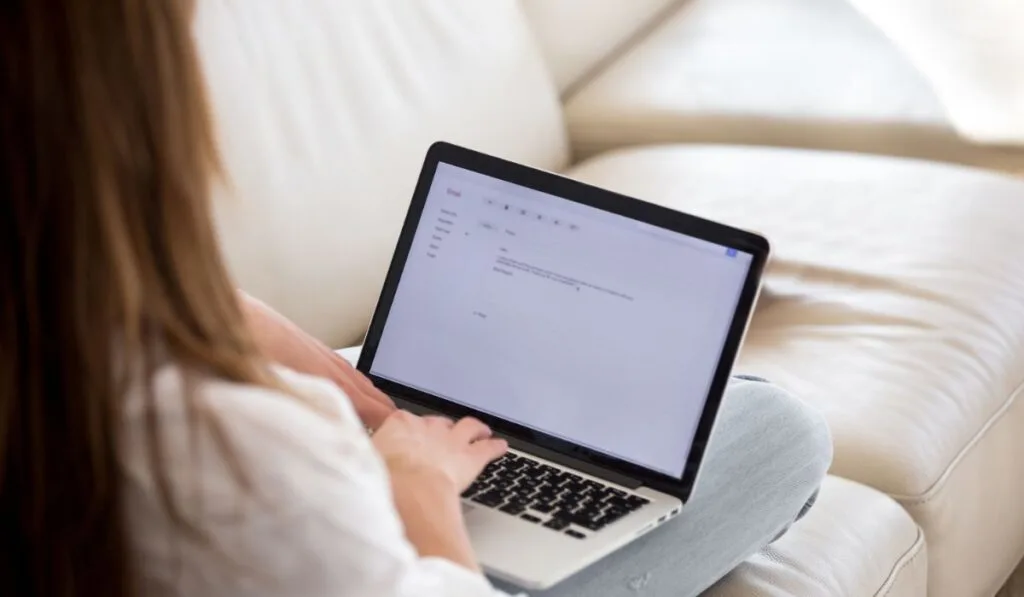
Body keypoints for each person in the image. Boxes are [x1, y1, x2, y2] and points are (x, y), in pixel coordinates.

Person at [0, 2, 832, 596]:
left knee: (442, 405)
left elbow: (86, 268)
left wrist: (238, 323)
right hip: (380, 535)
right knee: (774, 426)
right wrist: (422, 489)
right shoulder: (232, 451)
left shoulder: (61, 320)